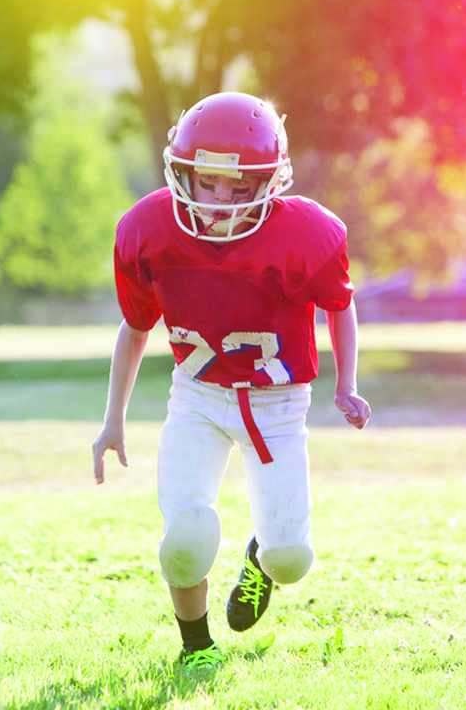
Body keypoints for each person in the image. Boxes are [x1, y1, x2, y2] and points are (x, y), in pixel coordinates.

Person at [91, 91, 371, 669]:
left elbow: (339, 305)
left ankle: (259, 559)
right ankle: (195, 648)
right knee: (187, 532)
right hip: (197, 396)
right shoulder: (148, 230)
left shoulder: (305, 234)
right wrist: (112, 419)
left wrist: (346, 384)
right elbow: (136, 326)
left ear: (270, 182)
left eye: (241, 187)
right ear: (183, 173)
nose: (223, 200)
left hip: (278, 403)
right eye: (210, 183)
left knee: (291, 557)